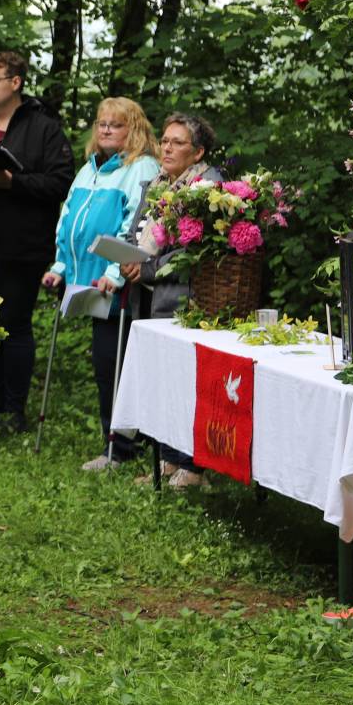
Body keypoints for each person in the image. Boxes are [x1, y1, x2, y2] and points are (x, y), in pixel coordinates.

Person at [0, 50, 75, 434]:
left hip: (24, 244)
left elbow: (59, 182)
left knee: (15, 324)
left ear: (15, 83)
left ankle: (15, 409)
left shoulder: (44, 129)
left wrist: (12, 182)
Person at [41, 98, 160, 473]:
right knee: (105, 363)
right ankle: (116, 442)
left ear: (135, 130)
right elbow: (67, 219)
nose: (106, 129)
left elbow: (135, 225)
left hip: (118, 283)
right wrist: (60, 264)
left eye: (117, 124)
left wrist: (113, 272)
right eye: (102, 123)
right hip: (84, 280)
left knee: (117, 364)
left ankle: (123, 448)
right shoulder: (88, 169)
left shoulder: (141, 167)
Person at [120, 112, 222, 488]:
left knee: (187, 385)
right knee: (163, 383)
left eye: (177, 142)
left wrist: (145, 270)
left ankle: (192, 468)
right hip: (151, 299)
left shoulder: (209, 188)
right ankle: (167, 461)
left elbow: (193, 252)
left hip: (186, 300)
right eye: (164, 140)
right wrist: (131, 257)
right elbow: (138, 229)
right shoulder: (160, 182)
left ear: (198, 152)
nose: (166, 147)